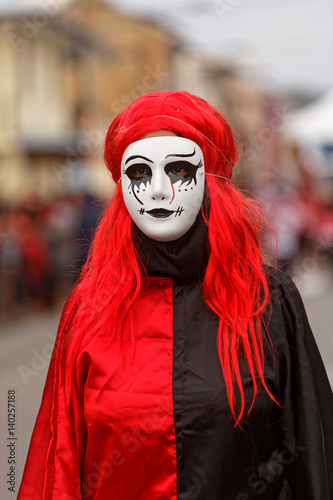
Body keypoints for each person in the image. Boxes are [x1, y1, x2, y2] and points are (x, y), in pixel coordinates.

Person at [18, 91, 333, 500]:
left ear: (211, 180)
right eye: (138, 174)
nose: (158, 191)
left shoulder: (268, 301)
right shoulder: (89, 308)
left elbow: (313, 450)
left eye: (180, 169)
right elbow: (56, 462)